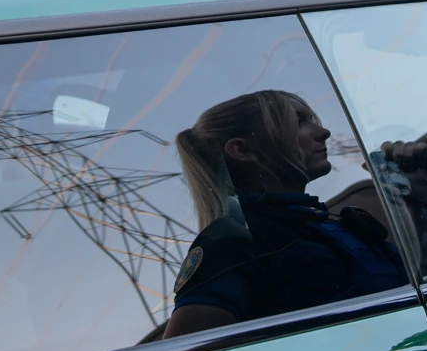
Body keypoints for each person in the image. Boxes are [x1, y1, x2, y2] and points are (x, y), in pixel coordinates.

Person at [163, 90, 407, 337]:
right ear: (243, 150)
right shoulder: (233, 240)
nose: (324, 132)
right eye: (299, 122)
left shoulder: (325, 222)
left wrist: (411, 189)